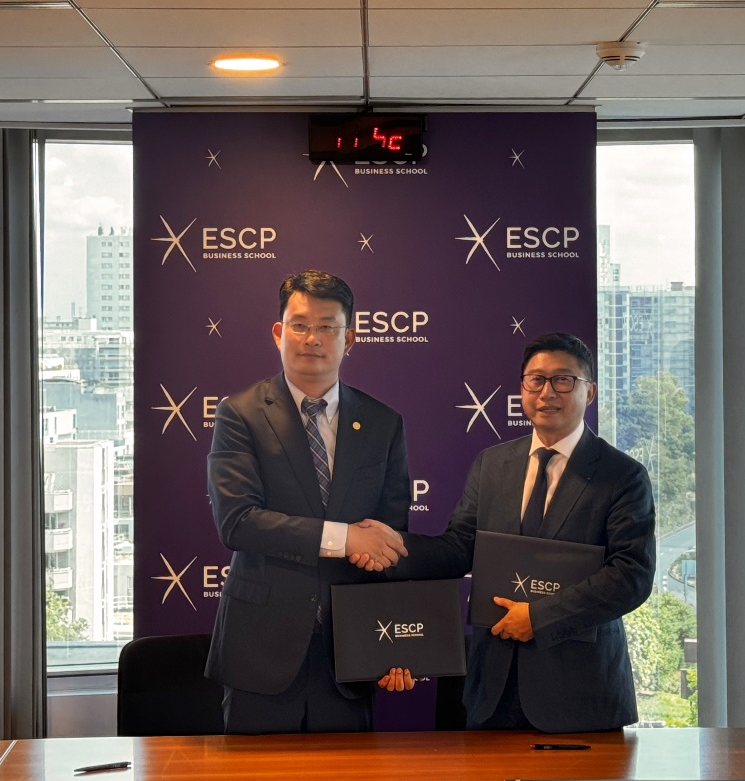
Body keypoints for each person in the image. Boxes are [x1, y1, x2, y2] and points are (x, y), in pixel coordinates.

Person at [368, 332, 655, 732]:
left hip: (580, 693)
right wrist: (392, 547)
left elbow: (631, 575)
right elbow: (459, 548)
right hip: (494, 689)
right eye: (535, 380)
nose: (547, 392)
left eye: (563, 380)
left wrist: (539, 617)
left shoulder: (622, 475)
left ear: (589, 392)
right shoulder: (493, 464)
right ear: (522, 388)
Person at [205, 269, 412, 734]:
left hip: (353, 651)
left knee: (347, 770)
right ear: (279, 333)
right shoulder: (240, 414)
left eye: (326, 326)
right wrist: (343, 538)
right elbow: (237, 522)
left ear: (349, 338)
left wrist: (397, 640)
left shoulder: (383, 423)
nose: (312, 338)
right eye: (299, 325)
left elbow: (391, 539)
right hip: (260, 650)